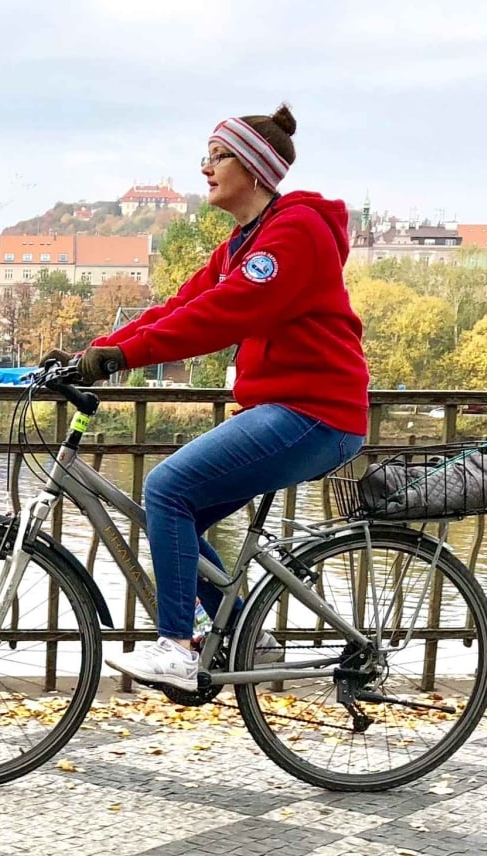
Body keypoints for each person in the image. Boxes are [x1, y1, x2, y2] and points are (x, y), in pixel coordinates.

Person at [49, 104, 369, 691]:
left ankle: (178, 648)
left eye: (219, 156)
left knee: (166, 488)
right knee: (177, 515)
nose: (206, 168)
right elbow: (178, 307)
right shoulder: (241, 244)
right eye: (208, 155)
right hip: (284, 410)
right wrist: (90, 353)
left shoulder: (294, 233)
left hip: (317, 413)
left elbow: (221, 315)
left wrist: (122, 358)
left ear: (254, 167)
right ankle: (247, 633)